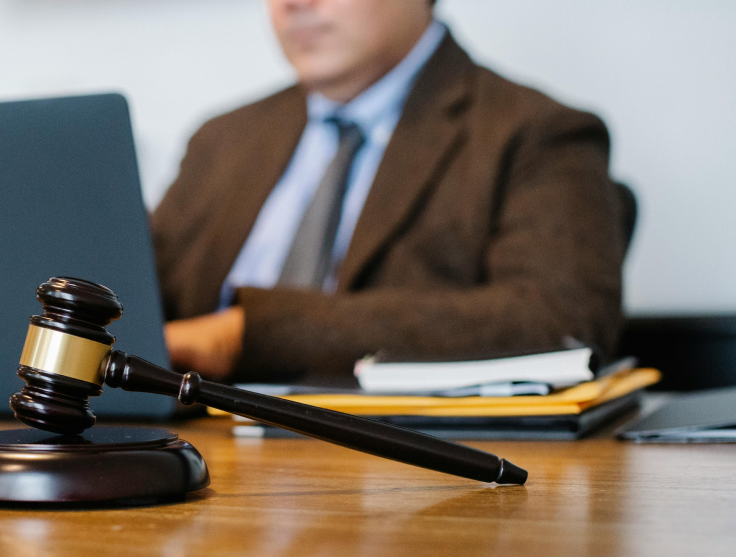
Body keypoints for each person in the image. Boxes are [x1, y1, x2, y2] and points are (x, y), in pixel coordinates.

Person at [153, 0, 626, 386]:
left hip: (395, 458)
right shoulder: (222, 140)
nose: (294, 3)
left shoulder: (535, 132)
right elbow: (137, 294)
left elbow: (559, 319)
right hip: (188, 443)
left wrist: (248, 334)